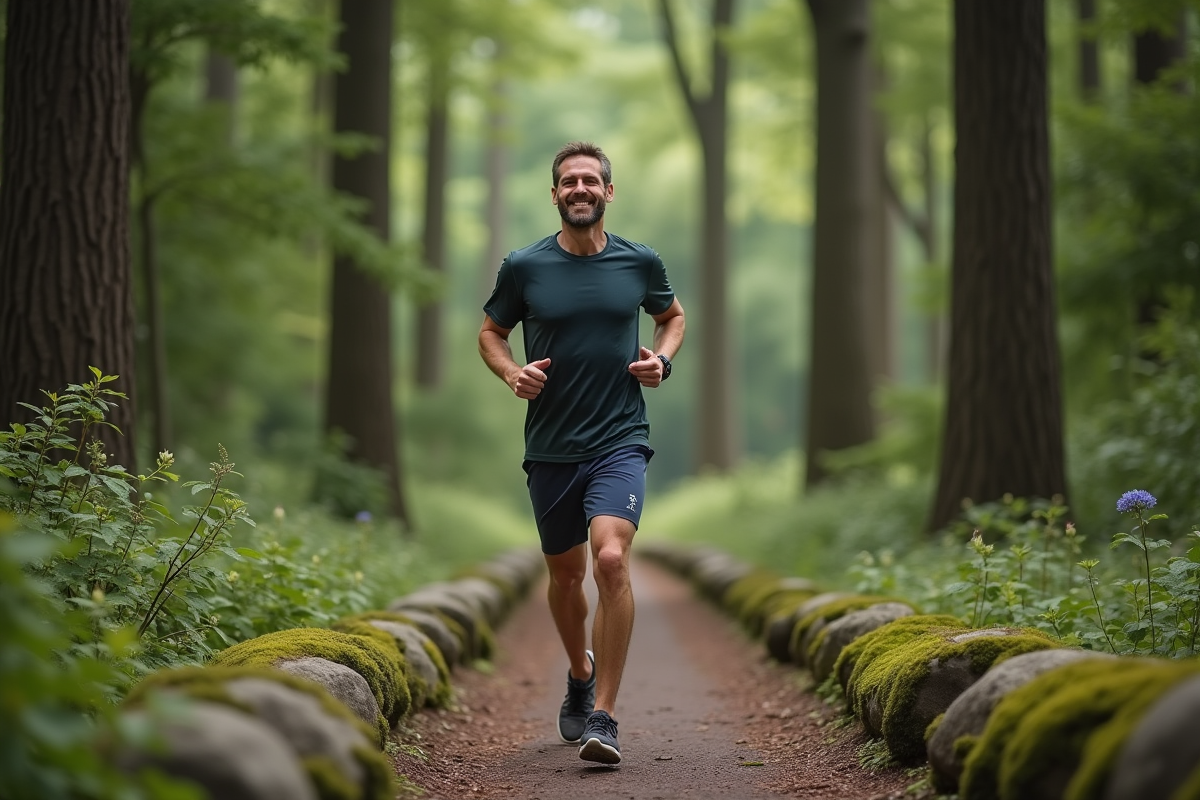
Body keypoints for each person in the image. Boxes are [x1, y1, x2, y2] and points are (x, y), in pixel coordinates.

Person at [477, 141, 685, 765]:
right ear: (555, 195)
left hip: (620, 438)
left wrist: (662, 359)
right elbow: (491, 331)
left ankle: (606, 718)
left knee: (612, 559)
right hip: (550, 446)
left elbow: (671, 317)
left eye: (590, 181)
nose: (580, 190)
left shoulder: (639, 262)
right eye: (569, 182)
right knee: (566, 577)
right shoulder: (525, 267)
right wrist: (512, 373)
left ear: (608, 192)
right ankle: (578, 672)